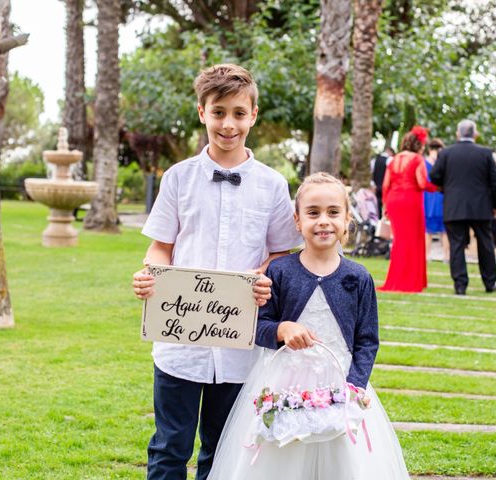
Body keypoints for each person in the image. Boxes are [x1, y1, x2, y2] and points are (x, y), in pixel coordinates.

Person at [132, 64, 303, 480]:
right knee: (170, 446)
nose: (229, 124)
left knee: (223, 450)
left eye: (239, 113)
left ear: (253, 115)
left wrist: (264, 276)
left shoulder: (272, 185)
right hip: (179, 346)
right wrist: (150, 274)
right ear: (202, 113)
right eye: (219, 112)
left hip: (240, 345)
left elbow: (282, 253)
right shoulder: (177, 178)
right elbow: (161, 246)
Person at [208, 173, 410, 480]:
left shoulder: (358, 278)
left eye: (333, 212)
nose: (323, 221)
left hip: (341, 383)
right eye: (313, 213)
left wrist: (353, 388)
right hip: (283, 383)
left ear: (347, 220)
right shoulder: (281, 270)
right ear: (298, 220)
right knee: (281, 458)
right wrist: (281, 330)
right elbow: (258, 325)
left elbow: (367, 341)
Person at [430, 119, 496, 295]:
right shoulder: (485, 153)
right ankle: (490, 282)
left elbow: (434, 176)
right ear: (475, 135)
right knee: (485, 244)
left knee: (456, 245)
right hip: (481, 206)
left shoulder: (446, 153)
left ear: (458, 134)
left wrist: (445, 185)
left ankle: (460, 284)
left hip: (454, 205)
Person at [379, 126, 437, 293]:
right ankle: (410, 280)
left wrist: (385, 205)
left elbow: (385, 185)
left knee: (399, 240)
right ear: (418, 144)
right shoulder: (417, 159)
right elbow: (421, 183)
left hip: (394, 200)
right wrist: (437, 187)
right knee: (413, 239)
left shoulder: (394, 159)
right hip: (410, 200)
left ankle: (396, 279)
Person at [424, 138, 449, 262]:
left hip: (430, 198)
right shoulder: (443, 162)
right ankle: (446, 256)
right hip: (438, 196)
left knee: (428, 230)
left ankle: (428, 255)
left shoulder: (424, 162)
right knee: (443, 230)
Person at [373, 146, 395, 217]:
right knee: (386, 208)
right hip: (386, 187)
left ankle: (378, 221)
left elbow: (373, 173)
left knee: (378, 205)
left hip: (377, 186)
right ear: (390, 152)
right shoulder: (390, 159)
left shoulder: (375, 160)